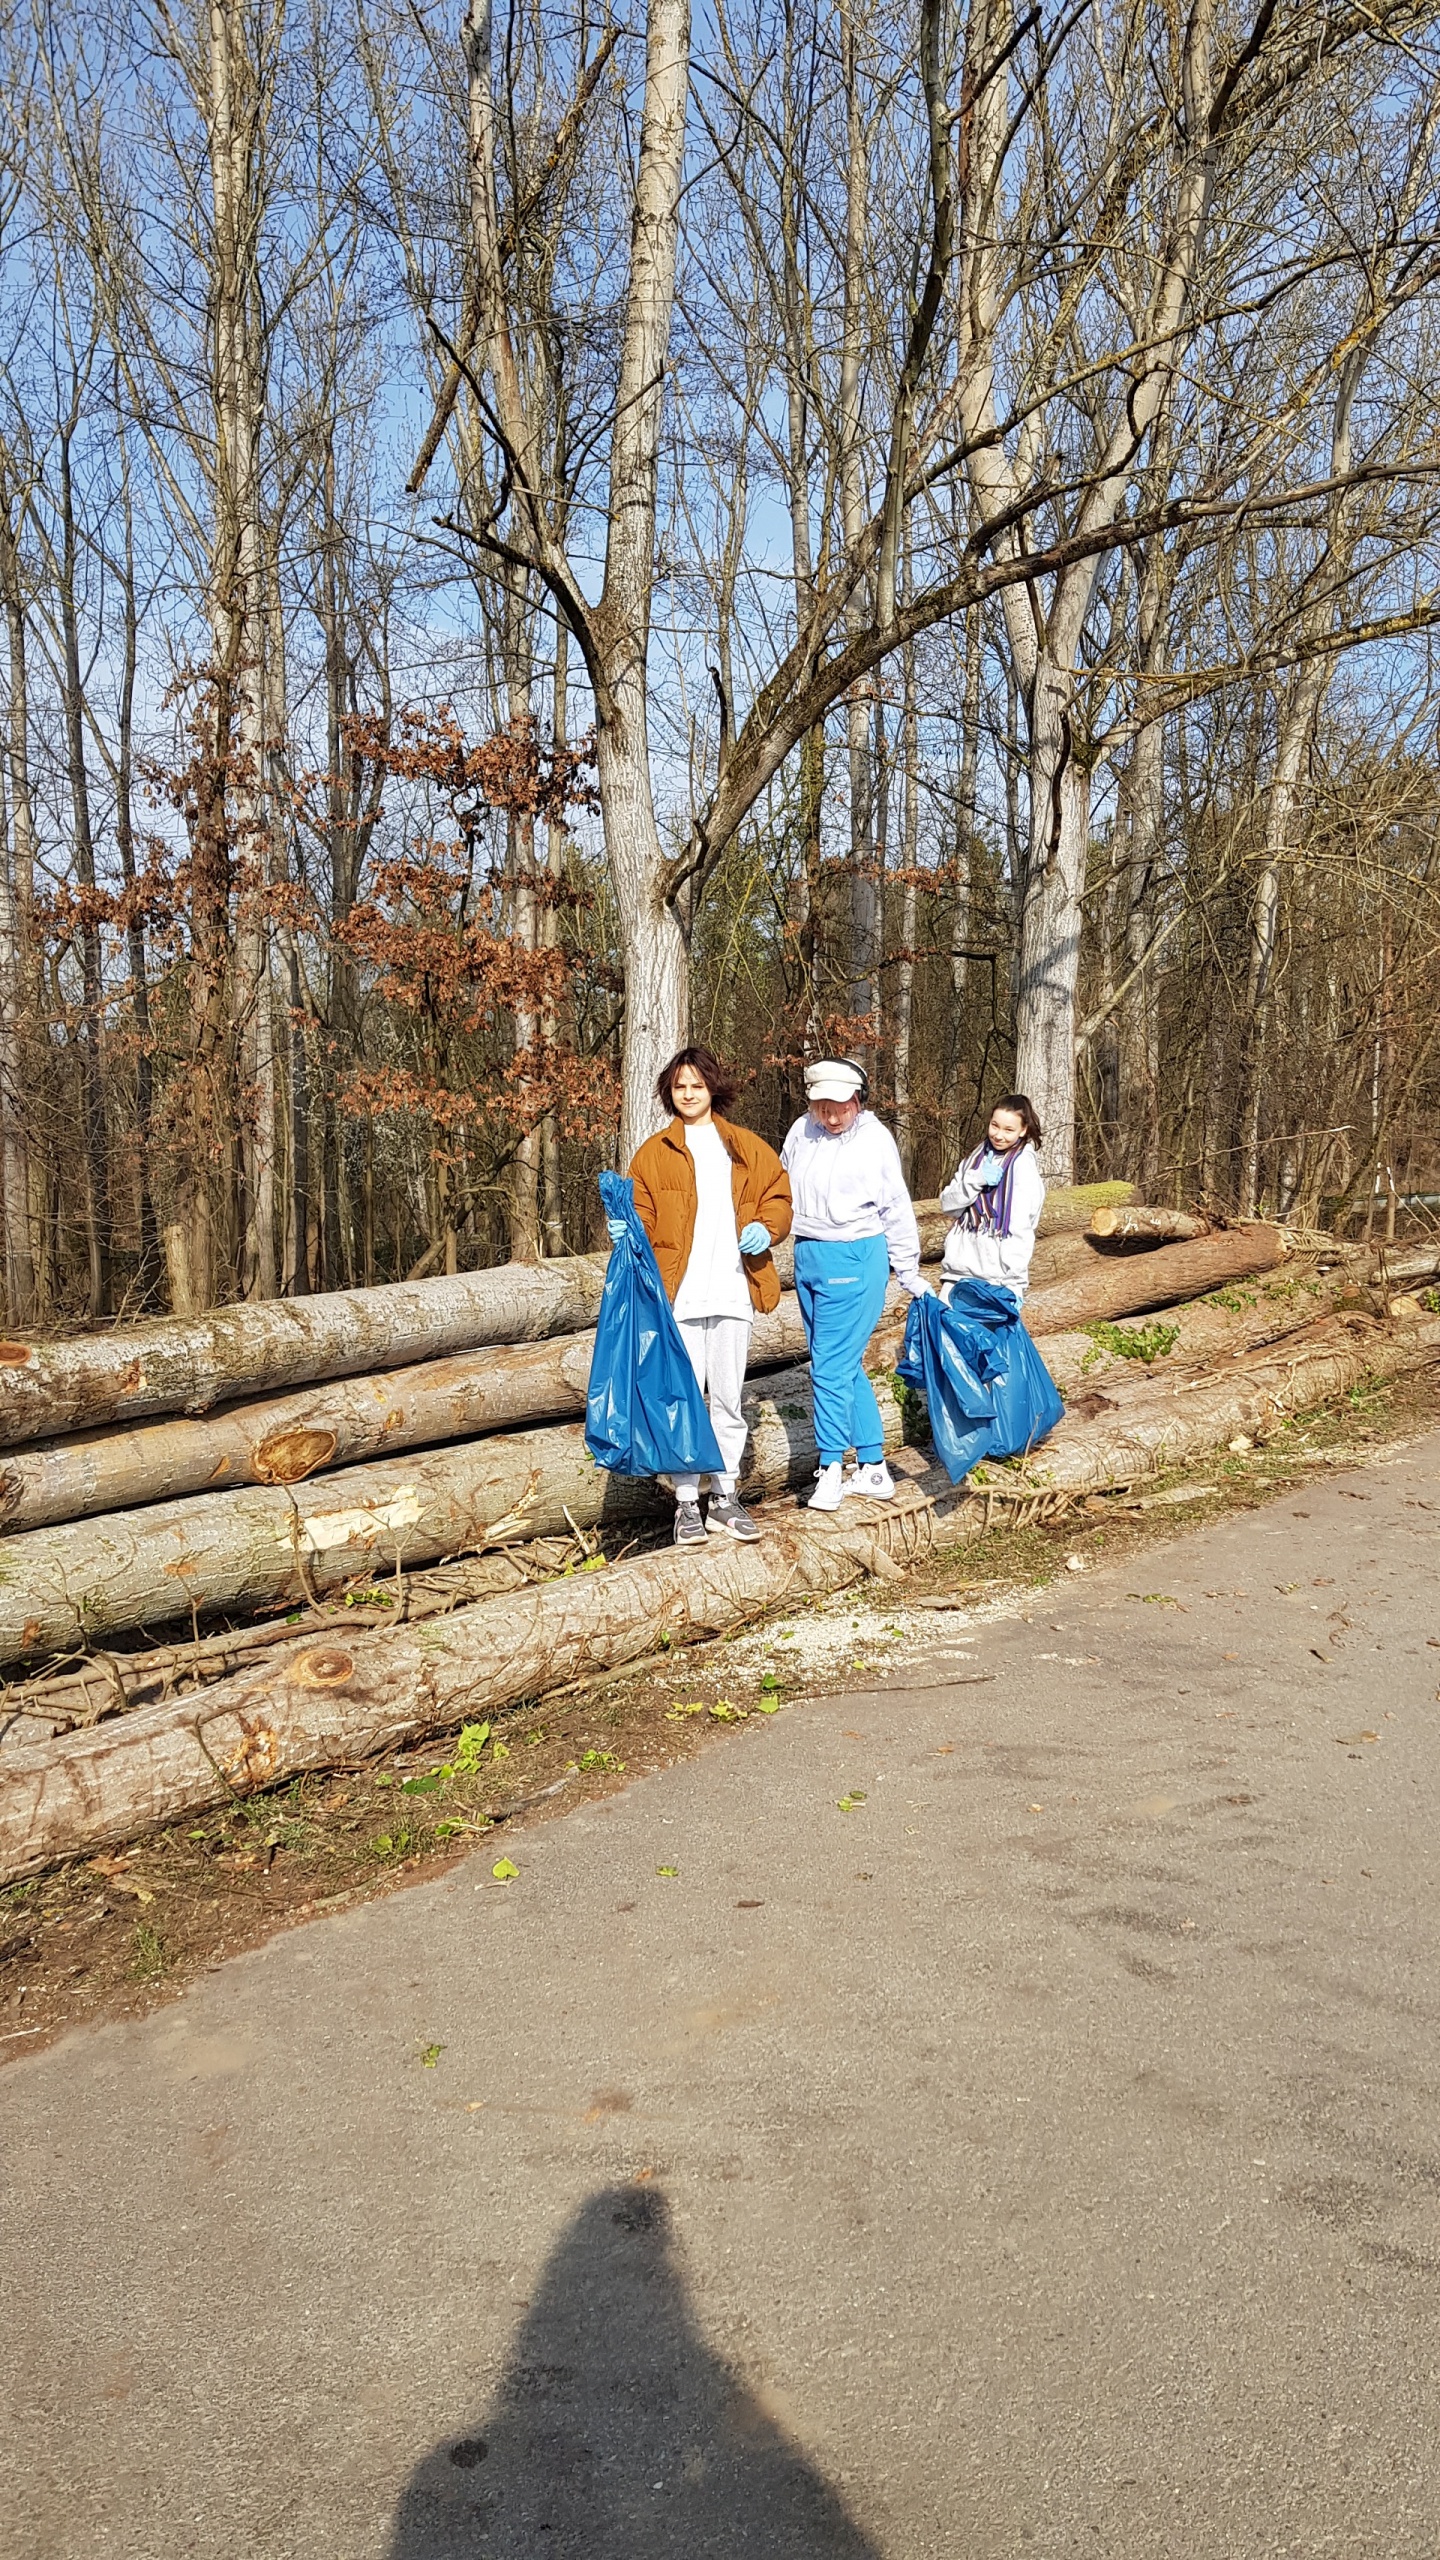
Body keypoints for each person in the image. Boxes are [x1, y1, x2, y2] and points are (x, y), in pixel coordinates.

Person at [608, 1045, 792, 1548]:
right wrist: (625, 1228)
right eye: (679, 1086)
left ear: (713, 1088)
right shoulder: (652, 1153)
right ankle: (687, 1503)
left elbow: (779, 1195)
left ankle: (725, 1499)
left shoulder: (745, 1146)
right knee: (681, 1401)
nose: (688, 1094)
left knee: (728, 1401)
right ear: (670, 1092)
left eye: (697, 1085)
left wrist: (766, 1227)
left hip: (733, 1290)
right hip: (678, 1298)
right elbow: (640, 1217)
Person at [781, 1058, 930, 1512]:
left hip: (855, 1255)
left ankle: (829, 1468)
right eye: (822, 1104)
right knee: (843, 1366)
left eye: (840, 1105)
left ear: (858, 1100)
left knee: (828, 1369)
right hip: (808, 1253)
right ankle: (873, 1466)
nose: (830, 1114)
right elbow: (779, 1186)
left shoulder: (873, 1140)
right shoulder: (800, 1132)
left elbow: (896, 1207)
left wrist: (907, 1269)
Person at [938, 1093, 1046, 1303]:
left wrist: (1015, 1285)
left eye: (1008, 1130)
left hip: (995, 1283)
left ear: (1023, 1130)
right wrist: (976, 1179)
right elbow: (948, 1205)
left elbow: (1021, 1228)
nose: (998, 1135)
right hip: (956, 1275)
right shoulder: (976, 1157)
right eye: (995, 1126)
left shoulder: (1022, 1167)